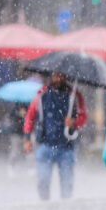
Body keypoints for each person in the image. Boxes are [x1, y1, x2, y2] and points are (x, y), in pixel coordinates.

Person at [23, 72, 87, 201]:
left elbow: (83, 116)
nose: (58, 79)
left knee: (67, 185)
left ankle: (65, 209)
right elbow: (30, 116)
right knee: (42, 181)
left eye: (61, 76)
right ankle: (45, 205)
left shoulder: (74, 95)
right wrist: (27, 138)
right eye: (55, 76)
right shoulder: (42, 93)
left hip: (67, 147)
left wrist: (74, 123)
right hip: (45, 144)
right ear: (50, 76)